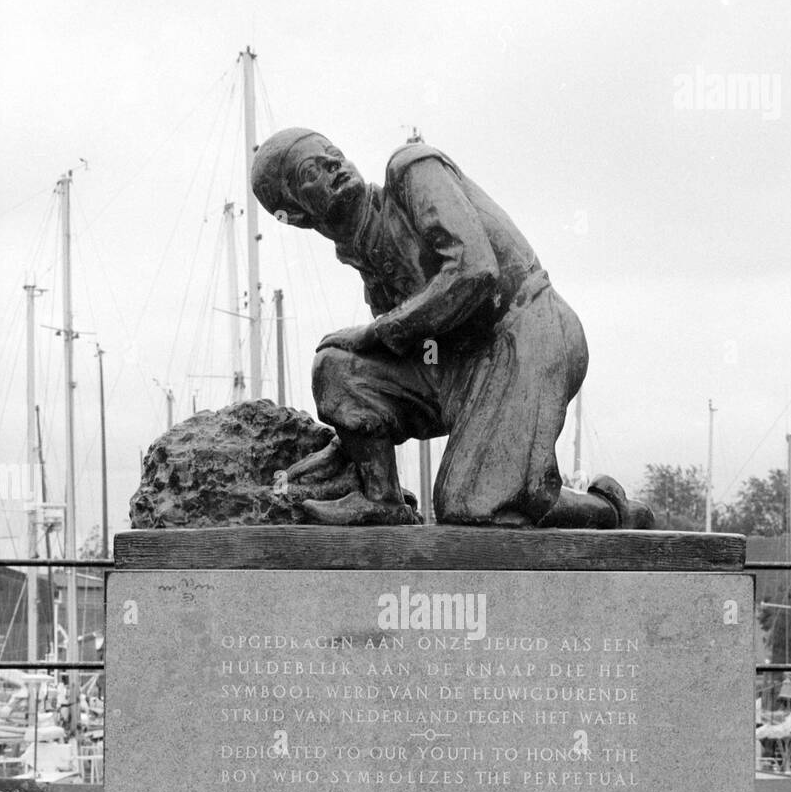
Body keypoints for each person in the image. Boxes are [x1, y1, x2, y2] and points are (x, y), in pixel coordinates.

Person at [252, 128, 654, 530]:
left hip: (526, 329)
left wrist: (376, 332)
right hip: (459, 366)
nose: (334, 165)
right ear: (299, 215)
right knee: (336, 365)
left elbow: (474, 270)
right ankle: (381, 499)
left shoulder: (412, 169)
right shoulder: (365, 262)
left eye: (332, 153)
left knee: (470, 506)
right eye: (311, 171)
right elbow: (411, 355)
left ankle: (613, 511)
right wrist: (350, 442)